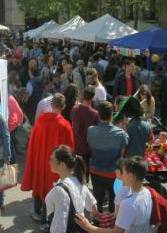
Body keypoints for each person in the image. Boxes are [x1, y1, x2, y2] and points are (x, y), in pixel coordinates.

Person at [21, 93, 75, 224]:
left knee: (40, 185)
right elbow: (70, 149)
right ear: (64, 107)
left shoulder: (40, 121)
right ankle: (49, 218)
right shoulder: (65, 125)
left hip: (40, 161)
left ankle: (37, 212)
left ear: (51, 105)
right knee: (53, 188)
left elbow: (32, 143)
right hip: (56, 165)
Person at [75, 156, 153, 233]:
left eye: (124, 173)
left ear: (130, 176)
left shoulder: (128, 204)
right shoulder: (147, 192)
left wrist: (88, 227)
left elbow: (116, 231)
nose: (122, 176)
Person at [45, 145, 98, 233]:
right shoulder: (79, 181)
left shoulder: (59, 190)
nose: (49, 162)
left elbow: (57, 221)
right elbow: (93, 206)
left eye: (52, 159)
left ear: (62, 165)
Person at [88, 102, 129, 213]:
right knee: (114, 200)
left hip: (96, 171)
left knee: (97, 200)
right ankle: (112, 223)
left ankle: (97, 223)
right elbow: (122, 155)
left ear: (99, 115)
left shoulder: (90, 131)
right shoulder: (122, 134)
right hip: (114, 173)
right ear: (112, 115)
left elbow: (91, 147)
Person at [70, 86, 99, 171]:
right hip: (87, 149)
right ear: (93, 97)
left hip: (75, 147)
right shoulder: (95, 114)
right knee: (85, 174)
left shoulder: (74, 109)